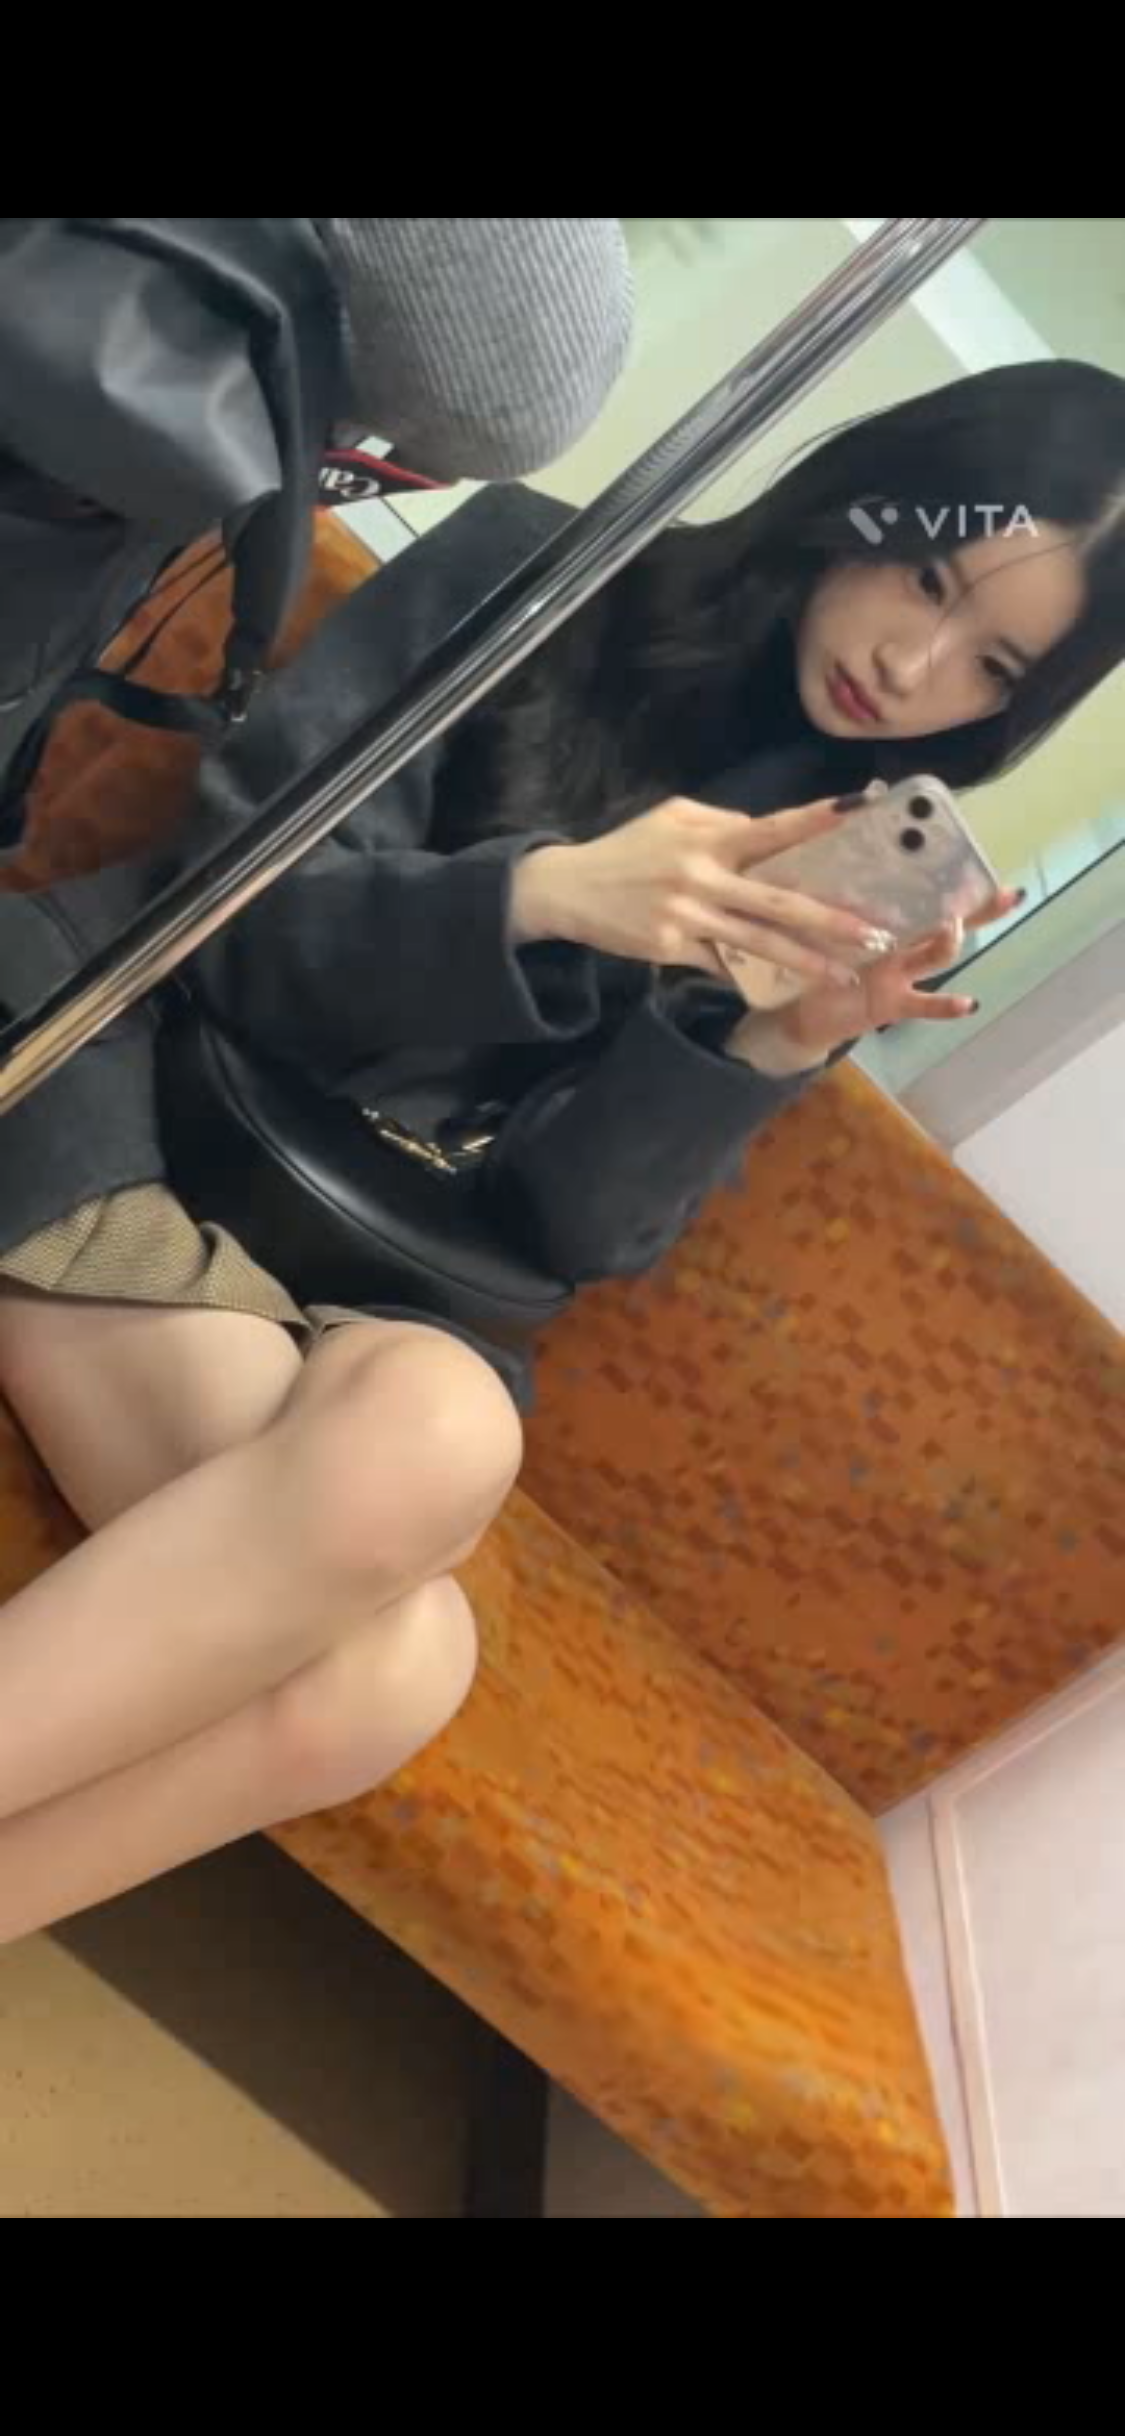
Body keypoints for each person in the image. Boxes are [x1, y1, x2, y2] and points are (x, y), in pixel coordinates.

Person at [1, 357, 1124, 1945]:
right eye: (929, 579)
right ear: (864, 503)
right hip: (122, 1087)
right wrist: (545, 899)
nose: (913, 662)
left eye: (992, 664)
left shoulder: (833, 878)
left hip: (354, 1264)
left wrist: (765, 1050)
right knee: (393, 1662)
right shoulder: (543, 571)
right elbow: (229, 912)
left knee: (427, 1561)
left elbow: (566, 1234)